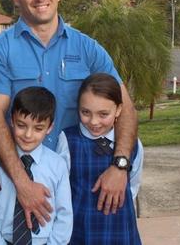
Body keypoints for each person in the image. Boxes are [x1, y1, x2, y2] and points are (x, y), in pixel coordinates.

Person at [0, 0, 139, 229]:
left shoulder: (88, 48)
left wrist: (120, 166)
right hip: (22, 174)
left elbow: (126, 108)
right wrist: (23, 183)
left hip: (84, 179)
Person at [57, 73, 143, 244]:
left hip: (120, 227)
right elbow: (61, 189)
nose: (94, 122)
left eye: (103, 114)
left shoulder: (132, 144)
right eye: (86, 112)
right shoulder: (67, 140)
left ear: (118, 109)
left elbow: (133, 185)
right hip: (80, 229)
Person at [0, 86, 73, 245]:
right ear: (11, 120)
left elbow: (64, 215)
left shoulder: (58, 165)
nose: (28, 135)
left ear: (50, 127)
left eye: (38, 128)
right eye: (21, 125)